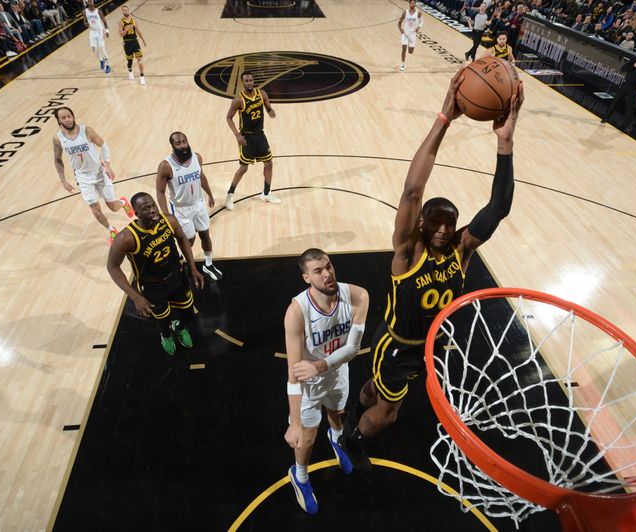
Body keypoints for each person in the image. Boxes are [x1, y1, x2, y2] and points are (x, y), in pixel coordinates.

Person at [339, 68, 523, 471]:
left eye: (449, 222)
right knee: (388, 414)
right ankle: (350, 441)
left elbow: (499, 208)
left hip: (428, 346)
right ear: (420, 223)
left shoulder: (461, 249)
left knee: (375, 393)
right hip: (399, 346)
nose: (442, 229)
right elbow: (411, 190)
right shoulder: (407, 251)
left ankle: (356, 410)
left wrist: (505, 143)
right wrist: (443, 120)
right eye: (434, 221)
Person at [284, 248, 369, 514]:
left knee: (337, 414)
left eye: (328, 266)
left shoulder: (357, 296)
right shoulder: (297, 312)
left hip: (336, 371)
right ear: (306, 278)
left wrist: (321, 364)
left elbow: (353, 349)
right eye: (318, 271)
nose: (327, 274)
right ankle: (300, 476)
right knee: (306, 438)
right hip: (309, 386)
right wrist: (295, 422)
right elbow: (294, 374)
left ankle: (336, 439)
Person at [107, 193, 205, 355]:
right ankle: (166, 335)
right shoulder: (126, 238)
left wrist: (193, 268)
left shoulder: (169, 220)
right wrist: (135, 296)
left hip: (177, 276)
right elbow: (112, 267)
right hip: (153, 286)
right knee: (163, 318)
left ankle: (179, 328)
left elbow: (182, 238)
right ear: (136, 213)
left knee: (188, 312)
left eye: (153, 205)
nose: (153, 210)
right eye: (146, 209)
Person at [52, 106, 134, 244]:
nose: (67, 119)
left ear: (73, 116)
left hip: (100, 172)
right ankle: (111, 230)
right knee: (95, 209)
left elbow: (104, 145)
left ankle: (123, 202)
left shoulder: (87, 131)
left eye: (69, 116)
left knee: (113, 207)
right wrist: (63, 180)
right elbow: (57, 159)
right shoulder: (58, 138)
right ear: (59, 121)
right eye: (63, 117)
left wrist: (107, 164)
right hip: (83, 177)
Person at [156, 131, 223, 282]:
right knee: (189, 240)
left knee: (205, 234)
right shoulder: (166, 166)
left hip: (198, 203)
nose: (182, 145)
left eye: (184, 141)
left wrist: (210, 194)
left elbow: (202, 177)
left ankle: (208, 264)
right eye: (178, 143)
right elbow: (160, 192)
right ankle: (180, 261)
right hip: (181, 209)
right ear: (172, 146)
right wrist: (166, 214)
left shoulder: (197, 157)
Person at [224, 71, 279, 210]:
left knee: (269, 163)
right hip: (246, 137)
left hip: (260, 135)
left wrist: (270, 110)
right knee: (243, 168)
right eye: (246, 81)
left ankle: (266, 193)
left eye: (250, 80)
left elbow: (267, 105)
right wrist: (237, 135)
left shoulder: (262, 94)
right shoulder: (238, 100)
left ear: (253, 81)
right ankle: (230, 195)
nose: (249, 83)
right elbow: (228, 118)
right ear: (242, 82)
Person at [600, 41, 636, 133]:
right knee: (616, 101)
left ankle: (626, 126)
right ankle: (605, 118)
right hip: (626, 84)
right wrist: (634, 65)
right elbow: (623, 69)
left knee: (630, 107)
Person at [118, 4, 146, 85]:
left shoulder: (133, 21)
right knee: (130, 61)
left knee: (140, 61)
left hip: (135, 42)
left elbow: (138, 31)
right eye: (124, 10)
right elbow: (121, 34)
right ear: (122, 12)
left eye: (127, 10)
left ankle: (142, 77)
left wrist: (143, 40)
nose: (126, 11)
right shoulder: (121, 22)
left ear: (128, 11)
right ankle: (130, 70)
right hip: (127, 43)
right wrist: (126, 29)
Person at [83, 0, 110, 74]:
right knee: (93, 49)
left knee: (102, 48)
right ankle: (101, 60)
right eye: (89, 1)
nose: (90, 2)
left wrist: (107, 31)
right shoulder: (85, 11)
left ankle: (108, 65)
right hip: (92, 32)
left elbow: (104, 21)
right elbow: (84, 20)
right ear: (87, 3)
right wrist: (86, 24)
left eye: (91, 1)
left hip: (99, 32)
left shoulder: (98, 11)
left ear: (93, 2)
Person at [398, 0, 423, 72]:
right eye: (411, 3)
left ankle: (410, 47)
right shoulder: (405, 12)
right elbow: (399, 23)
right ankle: (402, 64)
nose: (412, 4)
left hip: (412, 34)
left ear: (415, 4)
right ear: (409, 4)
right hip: (405, 33)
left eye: (414, 3)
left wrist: (418, 27)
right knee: (404, 49)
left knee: (410, 51)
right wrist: (400, 30)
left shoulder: (418, 13)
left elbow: (422, 22)